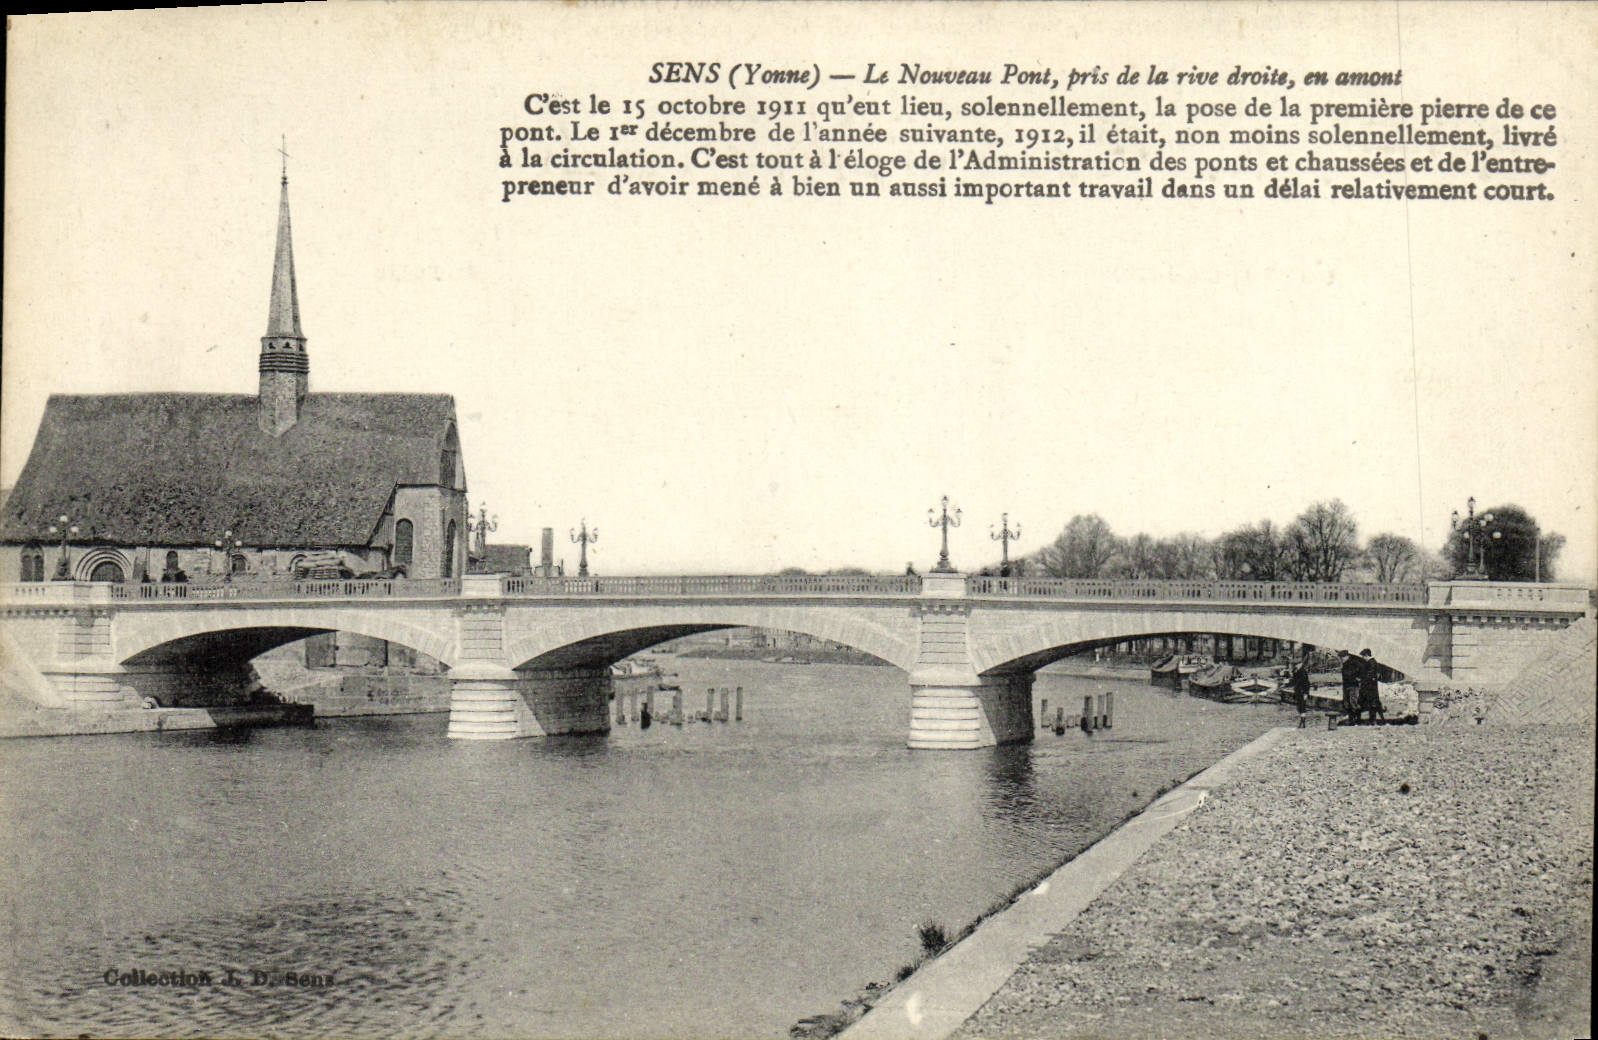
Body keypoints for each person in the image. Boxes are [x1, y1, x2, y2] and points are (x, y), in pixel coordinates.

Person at [1358, 649, 1385, 723]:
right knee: (1374, 703)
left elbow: (1369, 675)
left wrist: (1361, 679)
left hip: (1369, 687)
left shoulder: (1371, 663)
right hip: (1372, 687)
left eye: (1363, 656)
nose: (1363, 658)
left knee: (1372, 703)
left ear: (1366, 655)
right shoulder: (1373, 662)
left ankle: (1373, 720)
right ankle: (1379, 719)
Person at [1340, 650, 1363, 723]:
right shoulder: (1345, 664)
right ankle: (1351, 719)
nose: (1342, 659)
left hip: (1353, 685)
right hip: (1346, 685)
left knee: (1353, 702)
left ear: (1347, 656)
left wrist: (1358, 678)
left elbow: (1361, 670)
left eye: (1343, 657)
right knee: (1347, 703)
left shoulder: (1354, 662)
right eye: (1341, 657)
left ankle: (1356, 719)